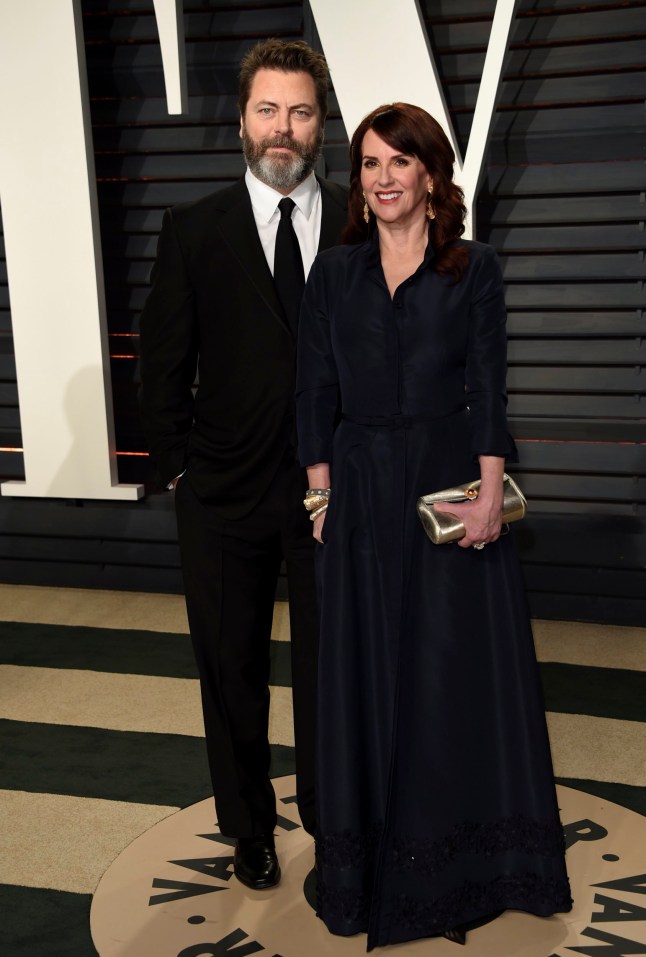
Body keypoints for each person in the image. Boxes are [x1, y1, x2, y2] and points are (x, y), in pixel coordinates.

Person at [296, 103, 572, 949]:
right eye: (371, 163)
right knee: (371, 668)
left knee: (451, 673)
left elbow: (488, 386)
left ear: (429, 173)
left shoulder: (473, 269)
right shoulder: (334, 274)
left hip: (448, 484)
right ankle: (371, 854)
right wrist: (319, 494)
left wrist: (491, 492)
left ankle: (467, 859)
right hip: (362, 490)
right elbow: (313, 388)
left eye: (399, 162)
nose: (383, 178)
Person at [139, 39, 347, 890]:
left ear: (319, 124)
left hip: (337, 490)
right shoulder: (196, 229)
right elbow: (160, 362)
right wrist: (183, 467)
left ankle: (337, 823)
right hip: (222, 494)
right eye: (269, 109)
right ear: (242, 120)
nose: (283, 129)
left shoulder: (358, 224)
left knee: (335, 671)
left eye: (299, 111)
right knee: (231, 671)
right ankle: (250, 828)